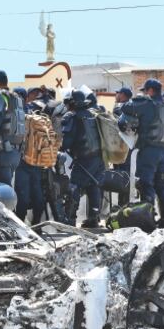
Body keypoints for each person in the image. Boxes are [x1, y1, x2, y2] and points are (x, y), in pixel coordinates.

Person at [119, 79, 164, 229]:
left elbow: (125, 107)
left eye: (145, 91)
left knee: (146, 183)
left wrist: (138, 98)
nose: (144, 93)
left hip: (149, 151)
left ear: (150, 90)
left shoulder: (146, 104)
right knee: (163, 186)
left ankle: (148, 220)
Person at [63, 89, 106, 227]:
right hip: (98, 158)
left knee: (74, 187)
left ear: (71, 103)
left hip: (83, 159)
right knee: (93, 186)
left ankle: (70, 220)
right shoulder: (92, 115)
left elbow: (66, 143)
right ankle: (93, 218)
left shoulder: (72, 117)